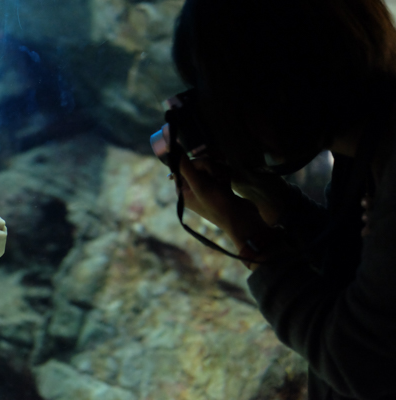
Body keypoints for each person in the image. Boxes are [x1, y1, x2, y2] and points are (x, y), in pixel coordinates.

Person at [169, 0, 396, 398]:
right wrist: (264, 195)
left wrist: (247, 233)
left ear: (267, 85)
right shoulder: (367, 142)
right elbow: (356, 268)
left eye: (216, 96)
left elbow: (362, 360)